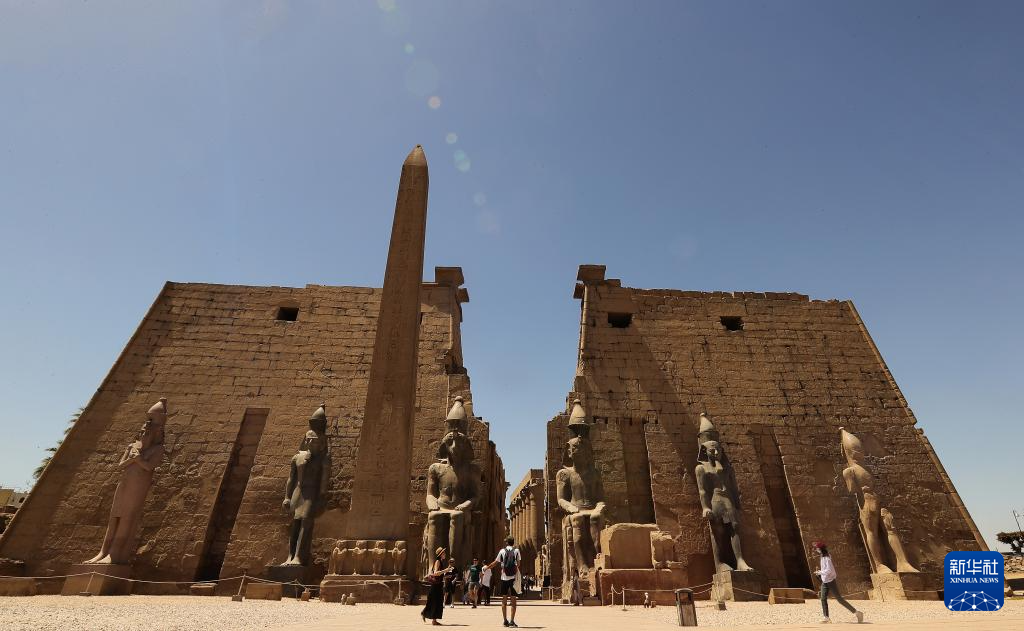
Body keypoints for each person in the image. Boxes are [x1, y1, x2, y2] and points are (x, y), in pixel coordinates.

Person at [812, 541, 864, 624]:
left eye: (817, 548)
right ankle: (826, 617)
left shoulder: (827, 558)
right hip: (825, 581)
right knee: (823, 598)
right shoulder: (822, 557)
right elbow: (826, 570)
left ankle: (857, 613)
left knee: (839, 599)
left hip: (830, 581)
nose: (816, 550)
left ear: (821, 549)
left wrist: (820, 572)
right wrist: (820, 572)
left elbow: (829, 570)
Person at [486, 537, 521, 628]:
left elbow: (495, 562)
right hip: (513, 578)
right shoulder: (516, 551)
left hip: (504, 578)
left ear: (506, 543)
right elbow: (518, 564)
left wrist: (487, 568)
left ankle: (505, 621)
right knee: (513, 601)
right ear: (513, 542)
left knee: (504, 600)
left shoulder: (502, 551)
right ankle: (512, 621)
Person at [421, 547, 451, 626]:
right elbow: (435, 573)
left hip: (439, 584)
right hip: (435, 585)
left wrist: (445, 576)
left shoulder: (440, 561)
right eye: (444, 553)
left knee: (437, 602)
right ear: (441, 554)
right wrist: (446, 570)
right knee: (435, 601)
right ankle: (431, 618)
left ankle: (428, 616)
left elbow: (439, 575)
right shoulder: (438, 561)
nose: (445, 554)